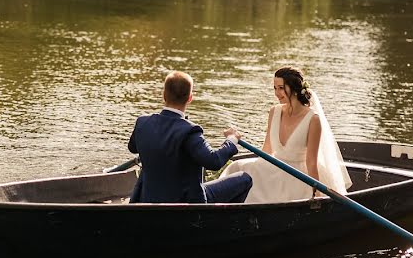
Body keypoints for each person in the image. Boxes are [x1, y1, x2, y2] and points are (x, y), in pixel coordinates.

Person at [219, 66, 352, 203]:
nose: (277, 93)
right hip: (273, 166)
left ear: (294, 88)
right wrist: (255, 166)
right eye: (275, 88)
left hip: (298, 175)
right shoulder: (274, 111)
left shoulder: (313, 119)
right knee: (237, 167)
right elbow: (267, 149)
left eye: (281, 88)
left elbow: (311, 162)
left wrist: (316, 191)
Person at [128, 71, 253, 203]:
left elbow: (133, 147)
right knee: (245, 179)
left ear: (164, 95)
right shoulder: (190, 130)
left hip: (147, 199)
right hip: (186, 203)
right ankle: (222, 222)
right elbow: (214, 161)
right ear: (190, 98)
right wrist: (232, 140)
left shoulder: (143, 123)